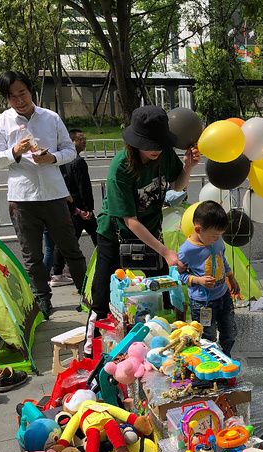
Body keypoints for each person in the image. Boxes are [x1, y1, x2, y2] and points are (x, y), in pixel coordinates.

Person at [85, 105, 200, 355]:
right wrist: (167, 251)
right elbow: (130, 221)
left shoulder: (164, 153)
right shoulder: (121, 167)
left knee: (165, 287)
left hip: (150, 231)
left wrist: (188, 166)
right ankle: (92, 349)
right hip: (113, 233)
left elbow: (176, 185)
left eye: (159, 143)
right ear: (135, 142)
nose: (155, 149)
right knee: (102, 294)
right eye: (150, 144)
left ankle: (169, 343)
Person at [0, 70, 87, 317]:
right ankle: (43, 300)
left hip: (54, 194)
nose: (19, 100)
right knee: (32, 254)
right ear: (6, 99)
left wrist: (52, 157)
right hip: (22, 198)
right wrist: (15, 152)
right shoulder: (1, 122)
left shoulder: (51, 118)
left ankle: (86, 295)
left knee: (70, 248)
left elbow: (69, 151)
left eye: (22, 93)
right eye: (12, 96)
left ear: (30, 91)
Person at [178, 201, 241, 356]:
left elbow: (222, 259)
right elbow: (181, 276)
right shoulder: (187, 250)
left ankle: (226, 358)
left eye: (220, 235)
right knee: (207, 337)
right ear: (198, 229)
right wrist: (198, 281)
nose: (217, 239)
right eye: (214, 235)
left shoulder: (216, 240)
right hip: (202, 302)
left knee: (230, 331)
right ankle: (210, 362)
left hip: (224, 295)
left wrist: (231, 277)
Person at [50, 128, 98, 286]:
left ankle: (59, 270)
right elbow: (84, 187)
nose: (84, 141)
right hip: (81, 208)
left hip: (71, 207)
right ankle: (57, 272)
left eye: (84, 138)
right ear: (71, 142)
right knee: (95, 236)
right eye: (80, 139)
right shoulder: (78, 162)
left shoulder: (63, 161)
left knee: (70, 239)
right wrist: (87, 209)